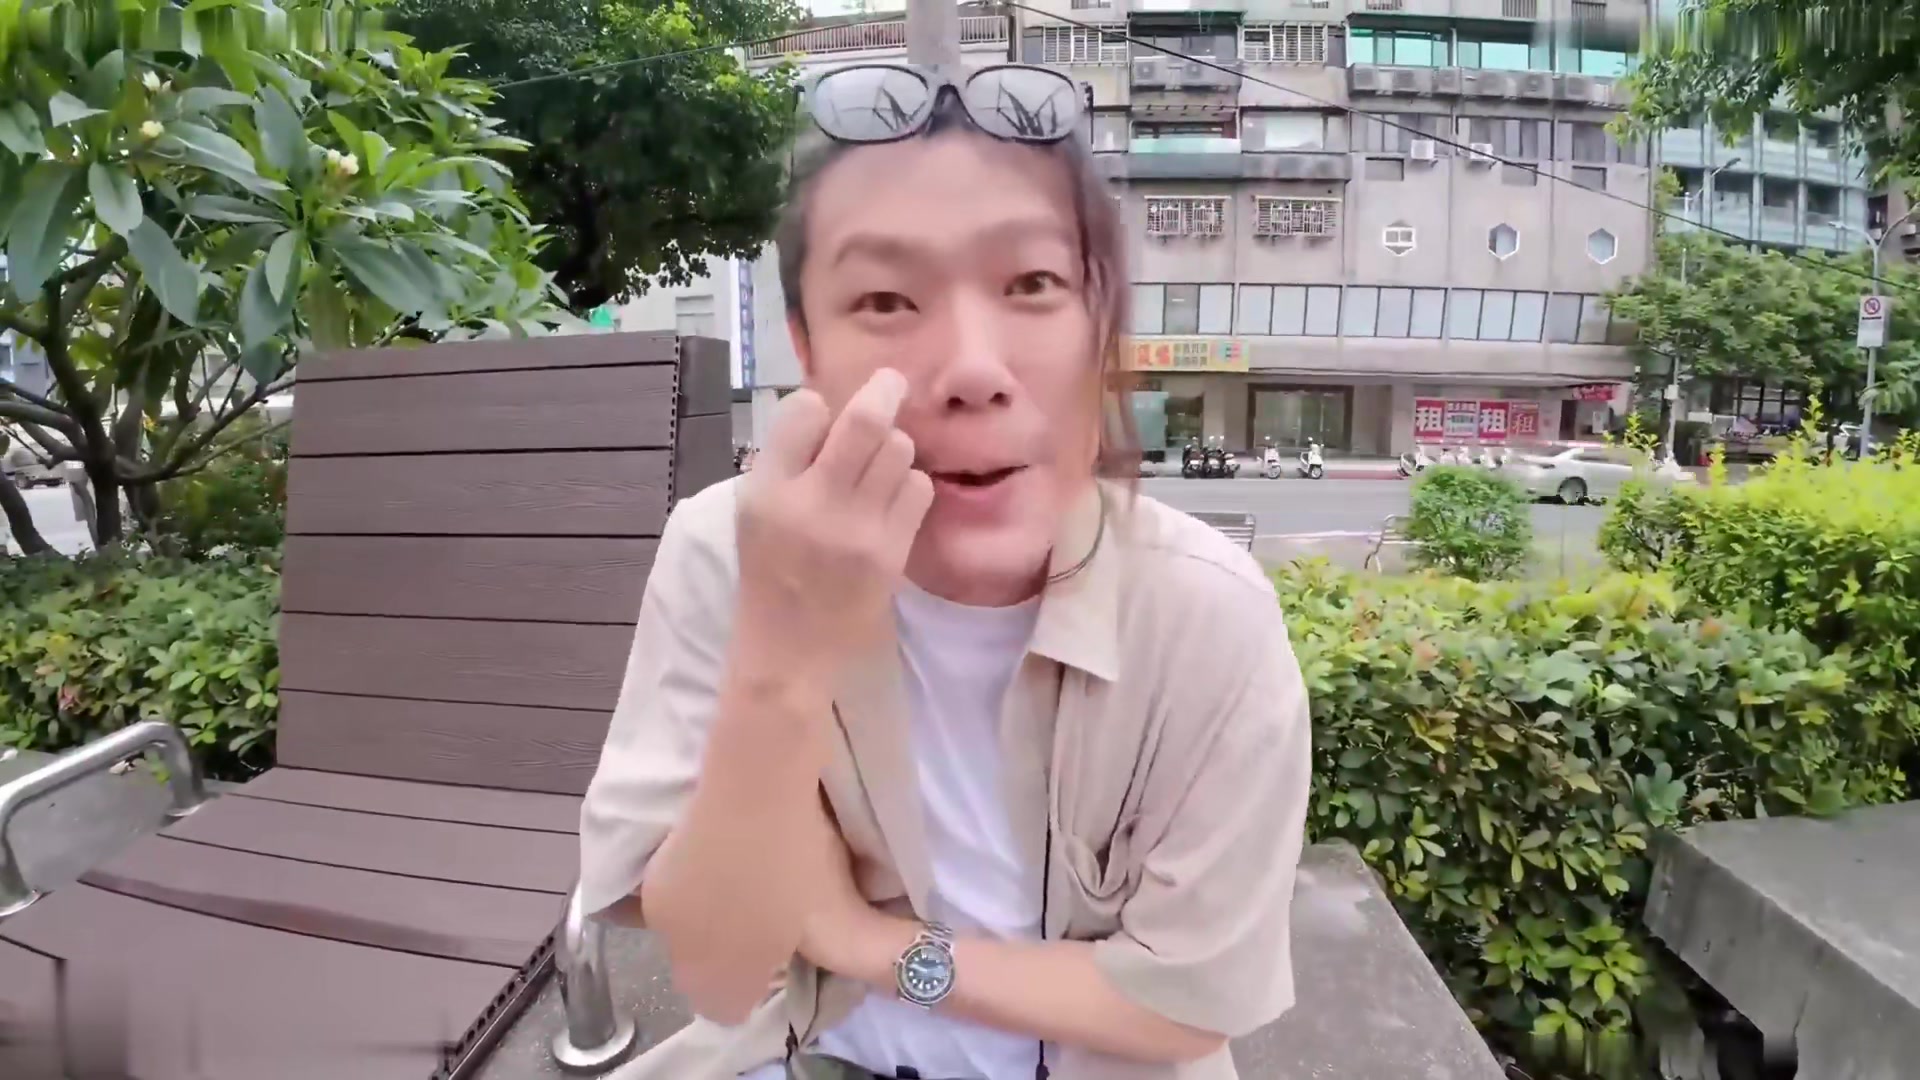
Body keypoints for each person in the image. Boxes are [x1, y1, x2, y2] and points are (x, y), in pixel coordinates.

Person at [578, 62, 1312, 1080]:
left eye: (1032, 285)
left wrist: (861, 942)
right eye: (885, 298)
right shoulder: (726, 551)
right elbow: (718, 974)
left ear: (1100, 326)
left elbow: (1187, 1010)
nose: (972, 368)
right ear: (806, 349)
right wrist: (781, 660)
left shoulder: (1208, 615)